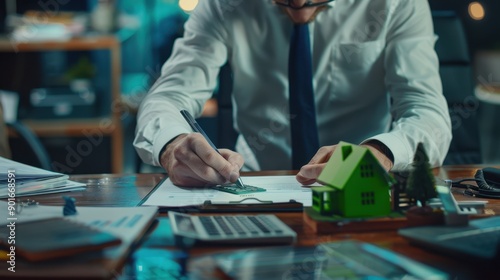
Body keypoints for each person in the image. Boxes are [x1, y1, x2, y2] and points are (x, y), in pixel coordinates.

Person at [134, 0, 452, 187]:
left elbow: (427, 113)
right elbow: (168, 95)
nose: (299, 7)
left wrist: (380, 152)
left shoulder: (398, 4)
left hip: (361, 186)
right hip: (254, 186)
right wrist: (172, 143)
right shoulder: (223, 5)